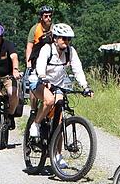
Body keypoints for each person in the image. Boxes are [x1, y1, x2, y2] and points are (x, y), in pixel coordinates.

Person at [28, 23, 93, 169]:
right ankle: (36, 124)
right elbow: (40, 65)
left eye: (69, 39)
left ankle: (57, 154)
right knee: (49, 100)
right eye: (63, 38)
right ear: (56, 38)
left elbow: (78, 70)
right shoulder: (47, 49)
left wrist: (85, 87)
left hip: (58, 84)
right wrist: (43, 77)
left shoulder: (70, 51)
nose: (66, 41)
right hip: (39, 81)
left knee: (60, 119)